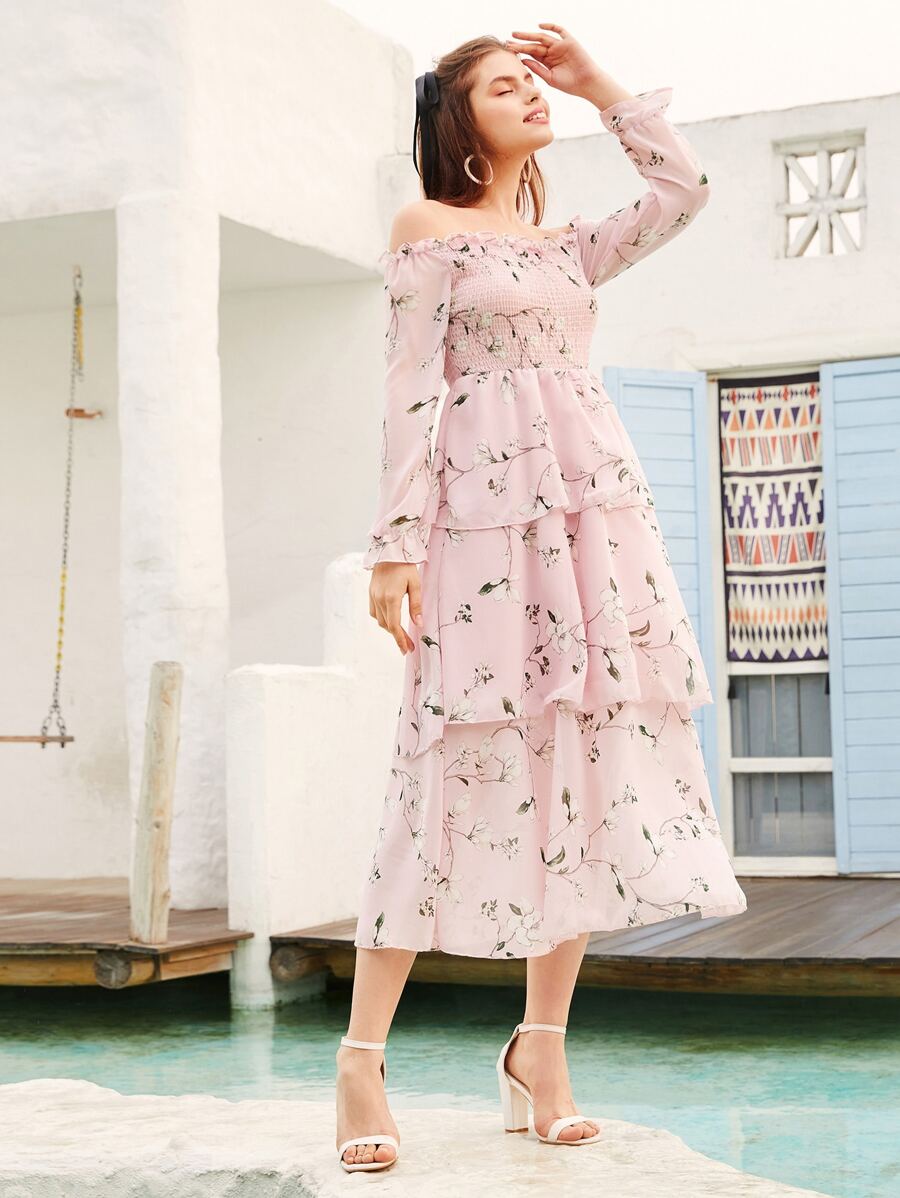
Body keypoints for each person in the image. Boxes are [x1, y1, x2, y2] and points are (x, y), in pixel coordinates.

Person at [336, 24, 748, 1173]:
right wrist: (393, 546)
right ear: (458, 120)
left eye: (533, 83)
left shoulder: (570, 247)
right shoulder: (429, 229)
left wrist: (598, 84)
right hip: (478, 530)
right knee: (444, 763)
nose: (531, 96)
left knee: (580, 761)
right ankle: (362, 1058)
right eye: (505, 86)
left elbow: (686, 189)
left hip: (591, 525)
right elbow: (409, 386)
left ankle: (542, 1049)